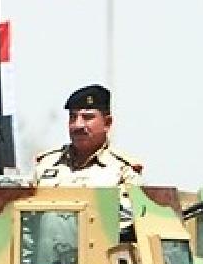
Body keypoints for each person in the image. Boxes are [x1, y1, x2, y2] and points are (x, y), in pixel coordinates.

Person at [32, 84, 143, 229]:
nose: (78, 125)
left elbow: (127, 223)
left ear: (107, 123)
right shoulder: (46, 164)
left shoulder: (123, 171)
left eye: (87, 117)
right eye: (73, 117)